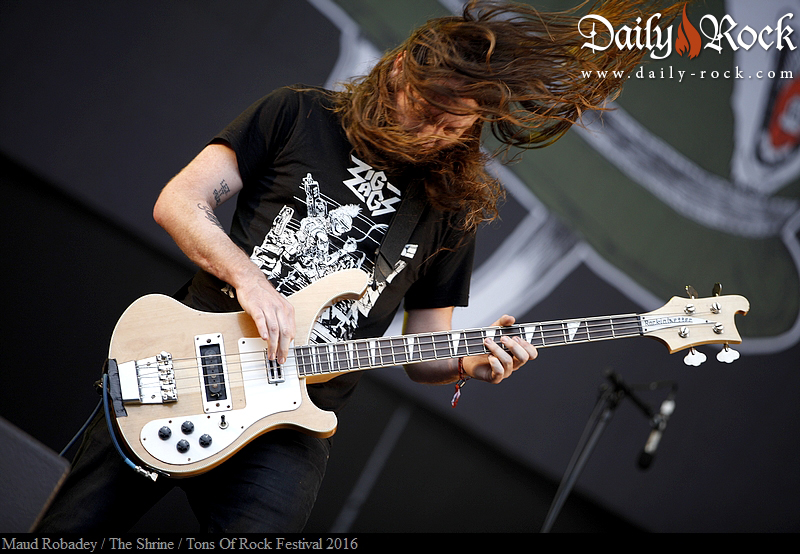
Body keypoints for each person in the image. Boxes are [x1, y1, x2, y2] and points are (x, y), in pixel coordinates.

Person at [37, 0, 683, 533]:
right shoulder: (297, 113)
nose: (433, 134)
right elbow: (179, 202)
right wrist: (251, 281)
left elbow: (422, 349)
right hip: (187, 364)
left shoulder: (452, 209)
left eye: (454, 126)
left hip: (293, 422)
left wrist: (468, 363)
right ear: (398, 70)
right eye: (426, 112)